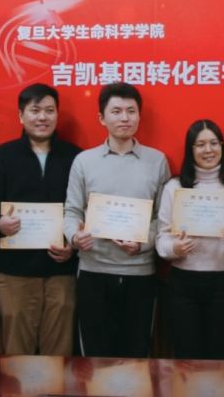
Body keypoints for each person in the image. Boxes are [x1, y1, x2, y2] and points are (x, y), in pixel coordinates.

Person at [65, 82, 171, 358]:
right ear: (101, 118)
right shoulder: (84, 161)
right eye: (116, 111)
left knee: (136, 354)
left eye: (131, 111)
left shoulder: (157, 161)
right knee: (95, 356)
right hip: (93, 271)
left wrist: (143, 243)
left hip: (140, 273)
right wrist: (74, 236)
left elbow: (163, 218)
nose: (125, 118)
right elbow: (72, 211)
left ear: (139, 116)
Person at [0, 83, 83, 356]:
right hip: (14, 271)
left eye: (49, 110)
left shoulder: (75, 157)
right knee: (17, 352)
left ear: (57, 114)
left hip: (61, 270)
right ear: (20, 116)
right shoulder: (3, 156)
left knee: (59, 351)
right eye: (35, 110)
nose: (42, 117)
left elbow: (84, 211)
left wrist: (72, 246)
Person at [155, 119, 224, 359]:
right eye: (200, 144)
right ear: (191, 149)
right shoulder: (174, 187)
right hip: (183, 283)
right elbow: (161, 238)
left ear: (222, 146)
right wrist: (175, 248)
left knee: (220, 357)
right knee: (186, 359)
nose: (208, 150)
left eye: (214, 143)